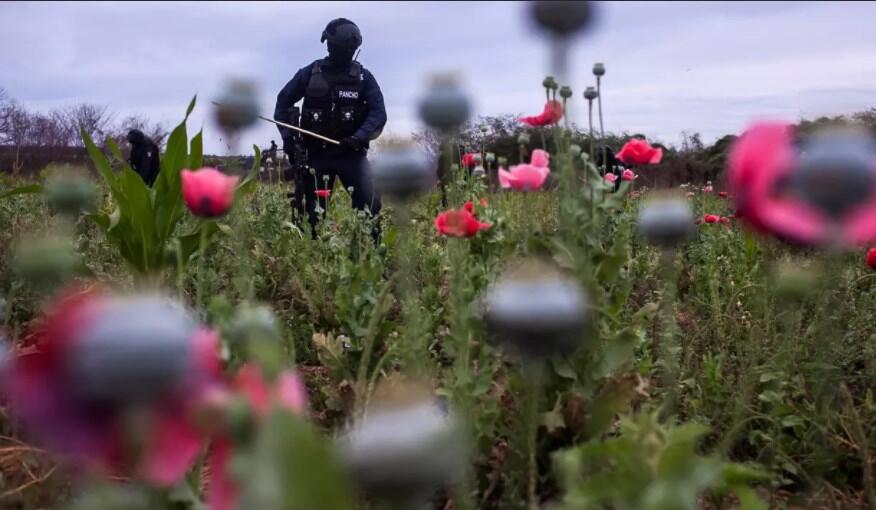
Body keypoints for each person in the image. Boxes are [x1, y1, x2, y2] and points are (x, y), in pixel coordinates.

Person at [274, 18, 387, 241]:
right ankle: (314, 255)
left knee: (370, 201)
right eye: (330, 45)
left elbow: (378, 114)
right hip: (315, 155)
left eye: (336, 46)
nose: (331, 49)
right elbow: (282, 104)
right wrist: (289, 141)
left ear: (352, 49)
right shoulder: (310, 73)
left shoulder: (364, 78)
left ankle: (369, 252)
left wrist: (359, 136)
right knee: (312, 215)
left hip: (351, 155)